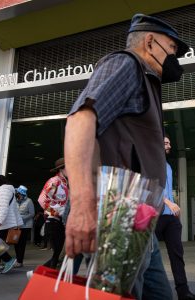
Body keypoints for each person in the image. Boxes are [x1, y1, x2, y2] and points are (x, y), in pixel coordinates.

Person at [64, 13, 188, 299]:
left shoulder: (146, 81)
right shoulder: (126, 64)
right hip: (121, 210)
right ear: (150, 41)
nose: (175, 58)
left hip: (141, 212)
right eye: (172, 49)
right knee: (115, 294)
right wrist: (82, 205)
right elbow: (80, 121)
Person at [155, 135, 195, 300]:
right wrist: (169, 203)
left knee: (177, 254)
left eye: (169, 142)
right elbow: (150, 187)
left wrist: (174, 205)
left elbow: (168, 190)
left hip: (171, 218)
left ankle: (183, 292)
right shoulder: (151, 162)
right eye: (165, 143)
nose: (169, 145)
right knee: (146, 255)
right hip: (155, 216)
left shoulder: (168, 166)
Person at [38, 158, 69, 269]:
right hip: (54, 221)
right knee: (58, 252)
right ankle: (41, 273)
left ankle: (43, 273)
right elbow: (42, 199)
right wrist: (53, 212)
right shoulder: (54, 181)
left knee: (60, 252)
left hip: (61, 221)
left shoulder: (64, 182)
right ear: (61, 169)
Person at [14, 185, 35, 268]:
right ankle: (17, 259)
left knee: (21, 244)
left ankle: (20, 261)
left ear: (21, 193)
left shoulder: (29, 201)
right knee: (15, 242)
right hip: (16, 225)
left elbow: (32, 214)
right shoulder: (15, 201)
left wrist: (21, 218)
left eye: (18, 193)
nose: (16, 194)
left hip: (25, 226)